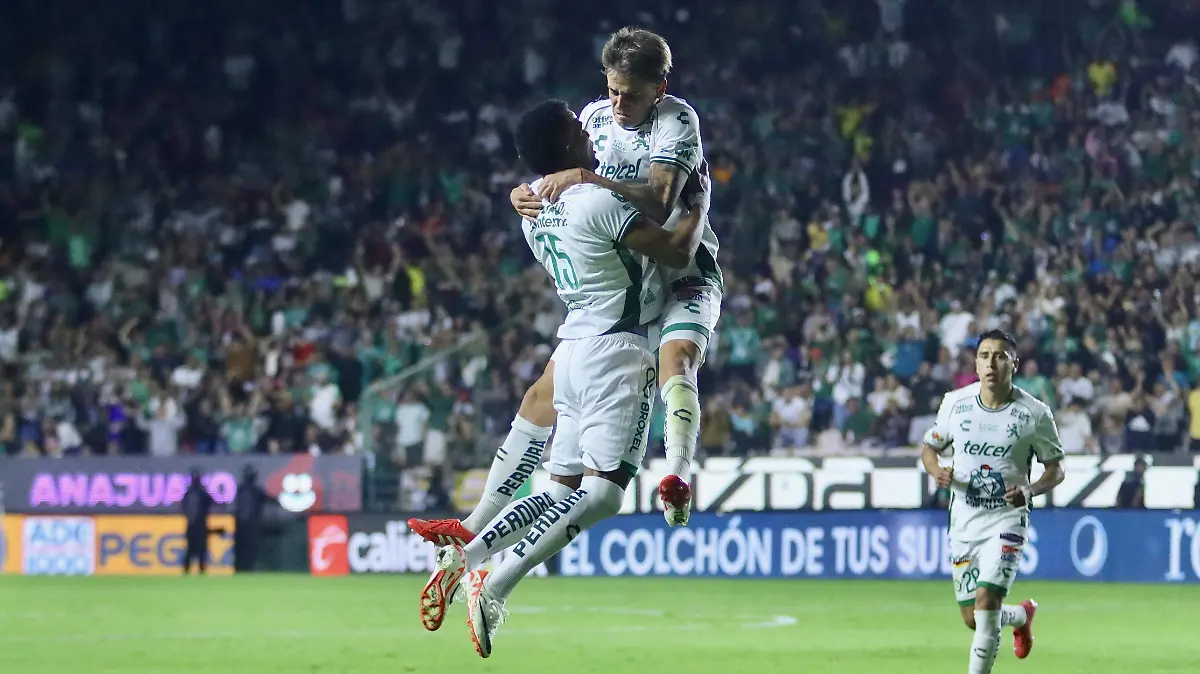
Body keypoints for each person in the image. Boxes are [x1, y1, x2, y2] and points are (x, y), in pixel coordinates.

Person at [409, 25, 718, 550]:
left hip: (682, 267)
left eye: (631, 95)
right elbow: (557, 172)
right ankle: (473, 533)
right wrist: (523, 193)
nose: (617, 105)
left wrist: (586, 178)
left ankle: (677, 477)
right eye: (612, 90)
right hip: (627, 286)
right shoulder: (594, 118)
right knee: (540, 404)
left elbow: (661, 202)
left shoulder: (676, 120)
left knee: (677, 361)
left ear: (659, 89)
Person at [419, 99, 705, 656]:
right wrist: (698, 200)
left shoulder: (533, 209)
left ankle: (466, 553)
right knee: (603, 496)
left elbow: (552, 194)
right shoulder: (596, 202)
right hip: (617, 349)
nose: (588, 131)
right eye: (577, 128)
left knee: (558, 489)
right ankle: (495, 584)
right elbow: (675, 252)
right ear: (567, 146)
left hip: (572, 345)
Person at [921, 329, 1067, 673]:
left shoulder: (1035, 413)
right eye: (984, 356)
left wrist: (1030, 490)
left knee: (986, 607)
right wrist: (936, 471)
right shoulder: (955, 403)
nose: (991, 363)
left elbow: (1057, 469)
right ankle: (1020, 616)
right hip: (965, 521)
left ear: (1014, 364)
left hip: (1007, 519)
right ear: (975, 362)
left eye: (1000, 356)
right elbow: (930, 448)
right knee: (973, 618)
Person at [232, 464, 267, 572]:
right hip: (250, 526)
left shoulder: (242, 490)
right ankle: (246, 567)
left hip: (243, 525)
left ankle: (243, 567)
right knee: (249, 549)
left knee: (245, 549)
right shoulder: (253, 491)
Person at [181, 467, 215, 574]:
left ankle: (186, 572)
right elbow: (211, 503)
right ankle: (201, 571)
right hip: (200, 527)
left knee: (190, 550)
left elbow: (184, 508)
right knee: (201, 551)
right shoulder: (202, 493)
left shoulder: (188, 493)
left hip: (190, 526)